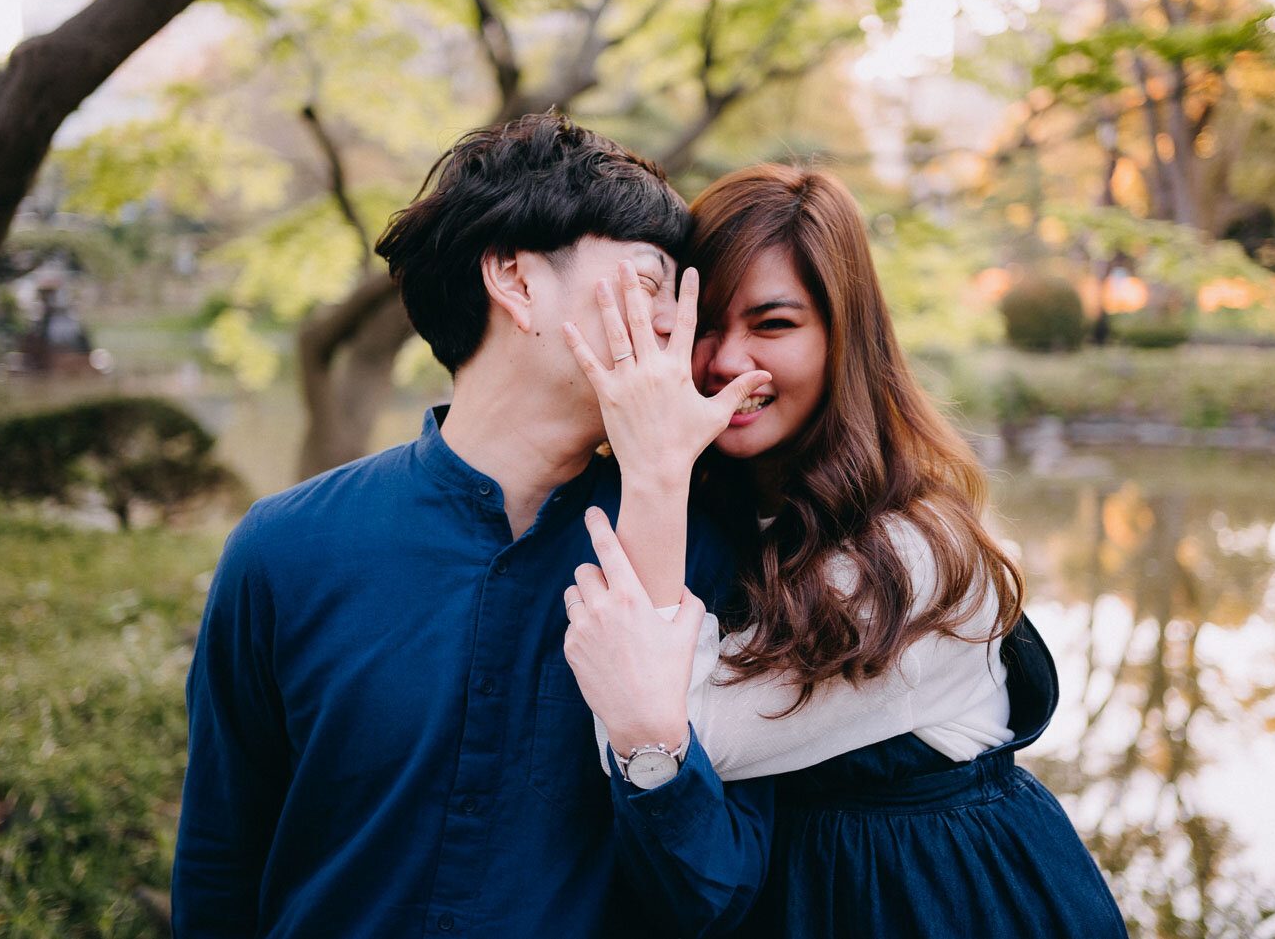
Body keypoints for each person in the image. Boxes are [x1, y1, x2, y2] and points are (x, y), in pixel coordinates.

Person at [170, 112, 775, 938]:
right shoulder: (285, 549)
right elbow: (220, 864)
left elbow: (721, 894)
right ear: (516, 280)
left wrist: (651, 741)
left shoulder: (710, 551)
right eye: (648, 284)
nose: (677, 326)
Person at [559, 164, 1128, 938]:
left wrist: (653, 465)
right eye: (704, 327)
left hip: (936, 900)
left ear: (842, 337)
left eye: (773, 324)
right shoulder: (736, 509)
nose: (728, 360)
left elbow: (671, 732)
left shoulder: (912, 554)